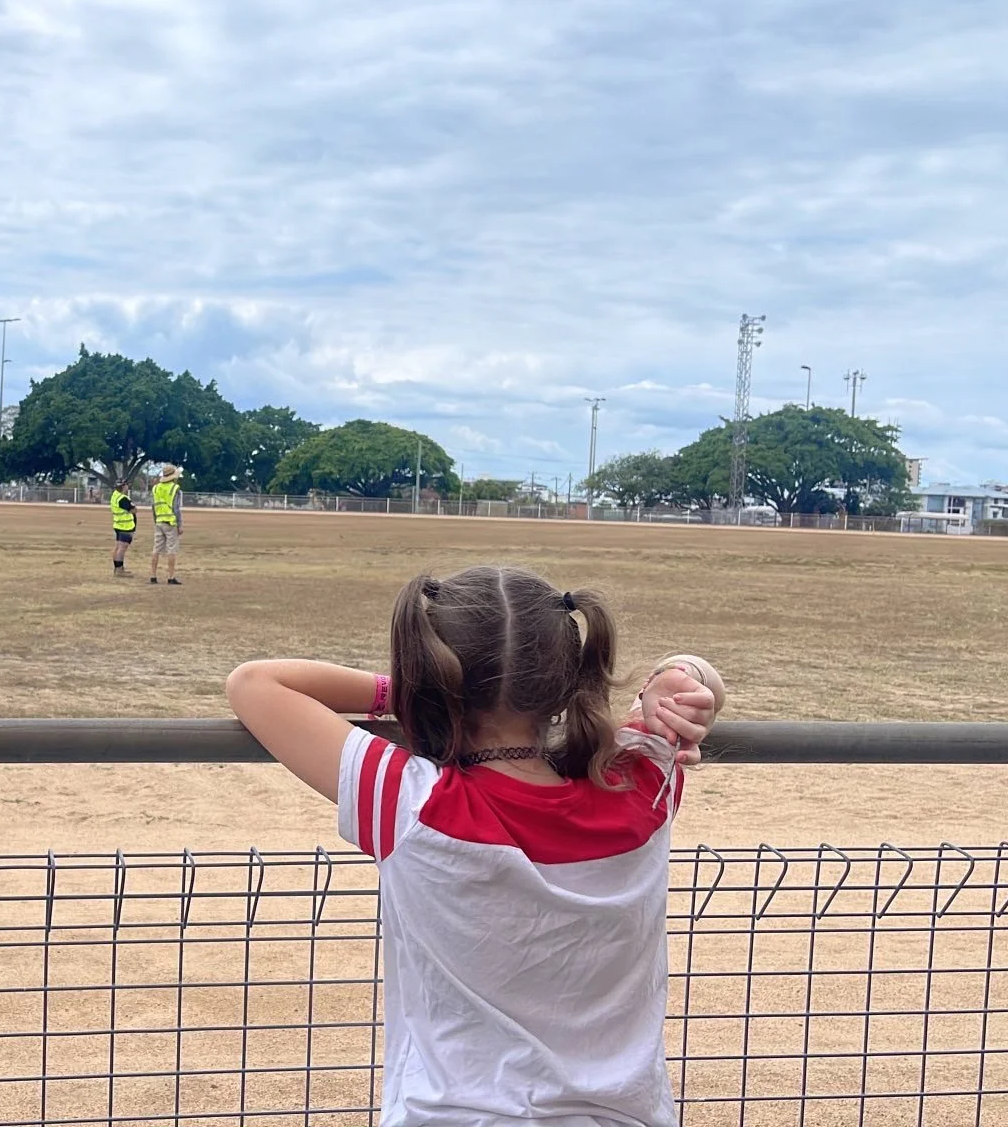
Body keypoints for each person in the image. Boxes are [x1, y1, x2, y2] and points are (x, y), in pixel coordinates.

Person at [225, 565, 724, 1127]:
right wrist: (679, 681)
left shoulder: (413, 807)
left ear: (438, 680)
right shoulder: (640, 789)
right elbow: (693, 673)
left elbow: (254, 684)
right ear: (562, 680)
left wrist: (405, 693)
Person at [151, 464, 183, 585]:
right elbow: (176, 508)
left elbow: (153, 507)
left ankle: (153, 576)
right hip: (170, 522)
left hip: (159, 521)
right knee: (171, 550)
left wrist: (156, 520)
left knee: (156, 549)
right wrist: (180, 524)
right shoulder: (175, 488)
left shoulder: (155, 488)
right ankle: (171, 576)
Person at [110, 480, 138, 576]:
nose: (127, 487)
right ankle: (119, 570)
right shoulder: (123, 498)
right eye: (126, 485)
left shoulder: (115, 496)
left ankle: (118, 568)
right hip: (125, 526)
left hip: (118, 524)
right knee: (122, 548)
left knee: (118, 547)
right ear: (123, 487)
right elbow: (134, 510)